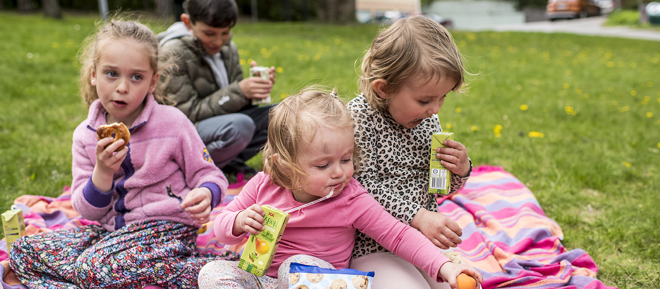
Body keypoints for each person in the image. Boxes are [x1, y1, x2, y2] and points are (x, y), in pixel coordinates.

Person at [8, 20, 235, 289]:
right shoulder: (85, 135)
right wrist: (102, 173)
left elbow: (210, 174)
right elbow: (86, 210)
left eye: (136, 77)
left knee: (95, 268)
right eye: (111, 74)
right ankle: (103, 276)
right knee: (23, 251)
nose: (123, 87)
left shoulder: (173, 123)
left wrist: (207, 193)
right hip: (109, 233)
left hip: (166, 228)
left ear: (153, 81)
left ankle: (207, 270)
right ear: (94, 74)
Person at [197, 88, 482, 289]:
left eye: (346, 159)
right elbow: (219, 229)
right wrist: (238, 221)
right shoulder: (264, 184)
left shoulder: (349, 198)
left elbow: (398, 235)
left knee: (294, 266)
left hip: (318, 281)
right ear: (283, 165)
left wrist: (446, 267)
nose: (339, 172)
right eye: (323, 165)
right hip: (261, 278)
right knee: (211, 273)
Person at [347, 15, 475, 289]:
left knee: (463, 285)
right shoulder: (359, 117)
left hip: (425, 244)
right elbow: (360, 188)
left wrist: (460, 170)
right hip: (375, 246)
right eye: (425, 100)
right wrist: (419, 217)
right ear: (384, 89)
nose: (436, 109)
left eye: (443, 97)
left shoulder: (427, 118)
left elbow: (438, 187)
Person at [157, 0, 275, 179]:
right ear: (188, 22)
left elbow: (234, 104)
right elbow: (184, 114)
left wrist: (253, 91)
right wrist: (239, 91)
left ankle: (228, 163)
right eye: (209, 33)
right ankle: (192, 170)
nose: (218, 41)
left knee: (279, 115)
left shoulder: (228, 48)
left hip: (219, 126)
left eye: (225, 33)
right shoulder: (173, 52)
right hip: (182, 134)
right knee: (240, 126)